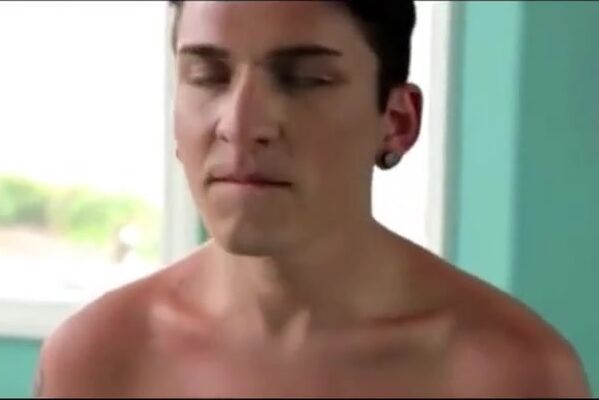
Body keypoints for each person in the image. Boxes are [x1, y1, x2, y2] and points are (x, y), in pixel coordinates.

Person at [34, 1, 591, 397]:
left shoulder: (507, 375)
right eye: (207, 75)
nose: (241, 125)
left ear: (397, 121)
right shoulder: (96, 360)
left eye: (305, 80)